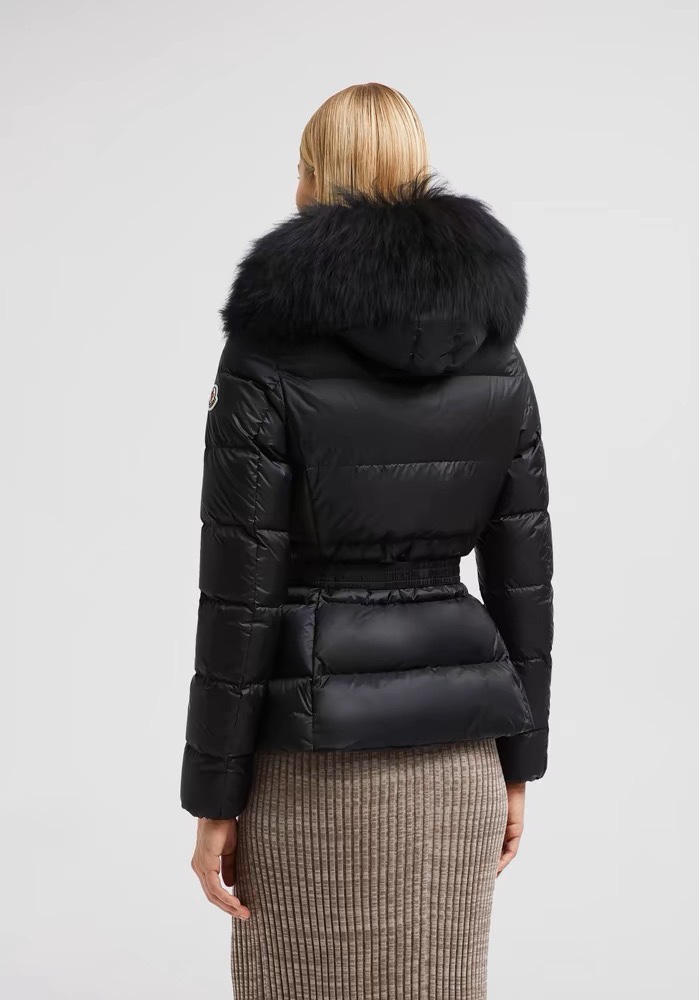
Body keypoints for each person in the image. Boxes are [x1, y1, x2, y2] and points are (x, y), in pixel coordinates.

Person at [180, 81, 554, 1000]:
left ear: (314, 180)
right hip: (461, 757)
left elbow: (239, 594)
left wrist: (213, 798)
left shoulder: (266, 354)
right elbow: (524, 577)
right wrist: (518, 763)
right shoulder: (495, 352)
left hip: (312, 761)